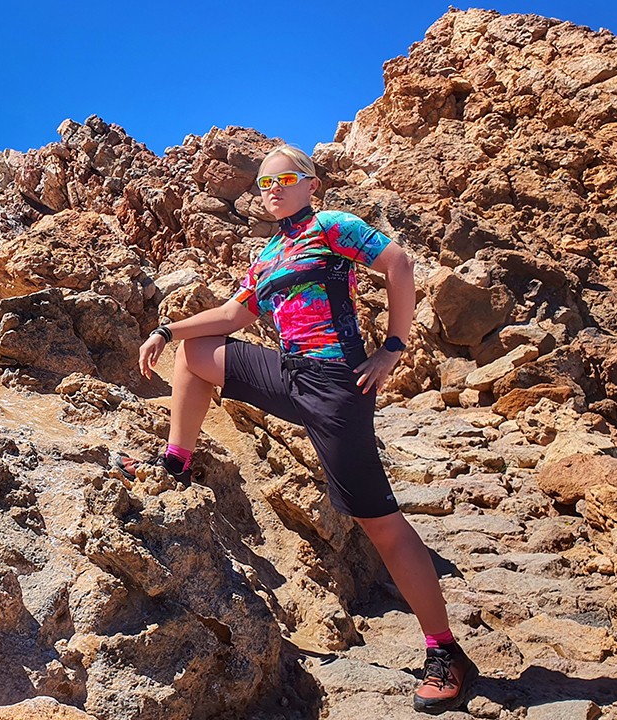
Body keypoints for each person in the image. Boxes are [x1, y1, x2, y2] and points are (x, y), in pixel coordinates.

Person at [115, 144, 477, 713]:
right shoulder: (268, 254)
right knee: (196, 351)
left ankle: (444, 651)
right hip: (287, 374)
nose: (274, 190)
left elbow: (400, 265)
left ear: (311, 184)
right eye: (265, 183)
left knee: (378, 523)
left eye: (286, 179)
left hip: (336, 384)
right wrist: (166, 329)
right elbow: (234, 316)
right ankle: (175, 461)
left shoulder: (331, 226)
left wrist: (393, 349)